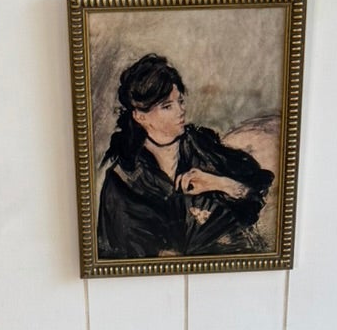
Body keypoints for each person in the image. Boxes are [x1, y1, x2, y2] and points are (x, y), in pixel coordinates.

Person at [95, 55, 273, 262]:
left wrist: (219, 183)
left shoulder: (202, 148)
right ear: (139, 116)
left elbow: (255, 196)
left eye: (180, 101)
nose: (181, 110)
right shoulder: (123, 180)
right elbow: (118, 253)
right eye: (167, 106)